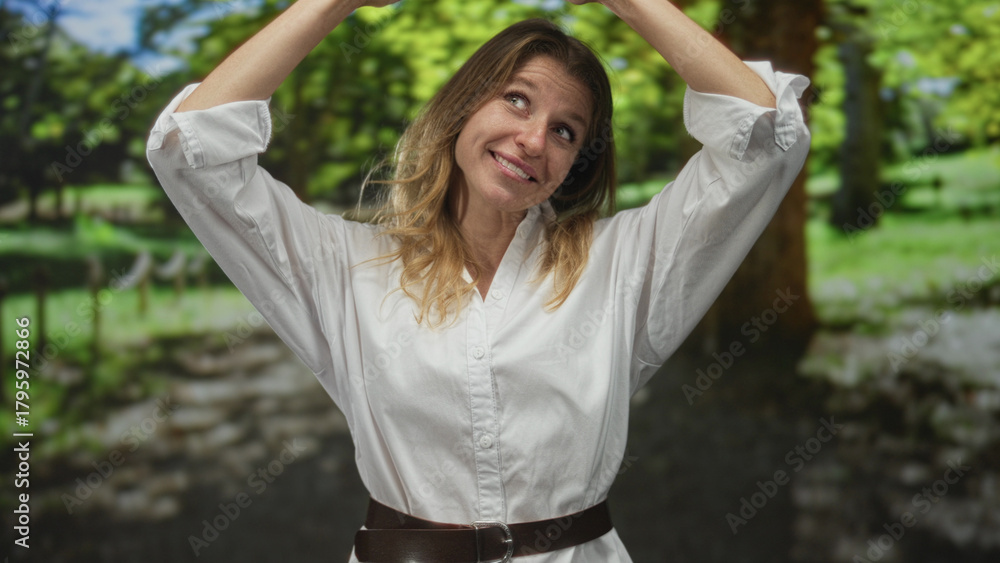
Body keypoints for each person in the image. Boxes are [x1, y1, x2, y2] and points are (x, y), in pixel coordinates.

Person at [146, 0, 811, 560]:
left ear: (576, 164)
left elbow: (766, 138)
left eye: (565, 131)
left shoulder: (624, 264)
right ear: (464, 107)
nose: (531, 138)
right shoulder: (346, 267)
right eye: (515, 99)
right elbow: (190, 151)